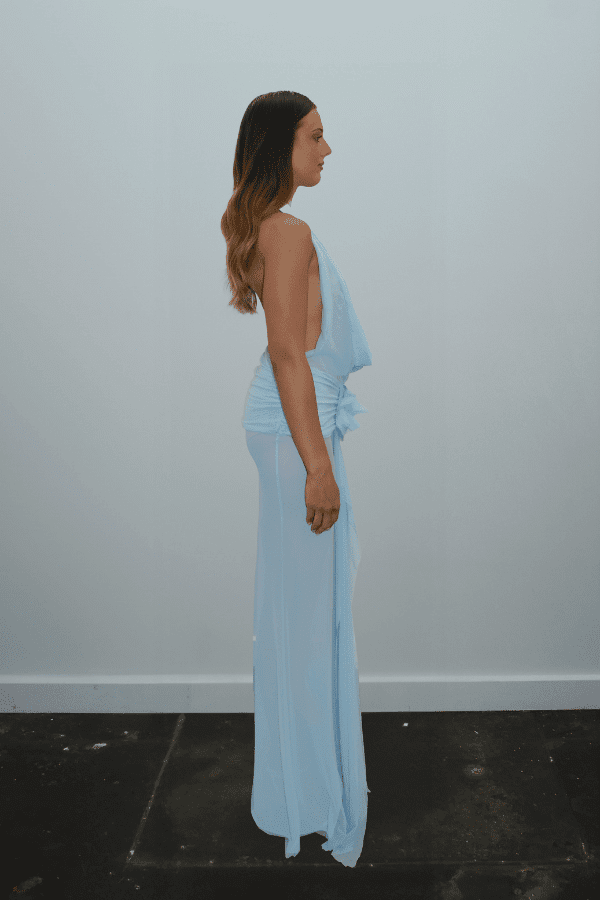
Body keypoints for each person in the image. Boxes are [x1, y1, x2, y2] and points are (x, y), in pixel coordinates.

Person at [221, 91, 372, 867]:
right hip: (292, 435)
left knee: (301, 620)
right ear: (282, 144)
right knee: (306, 626)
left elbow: (290, 350)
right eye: (315, 135)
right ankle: (305, 798)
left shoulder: (270, 227)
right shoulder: (288, 232)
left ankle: (302, 792)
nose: (327, 148)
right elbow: (288, 352)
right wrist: (318, 466)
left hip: (289, 428)